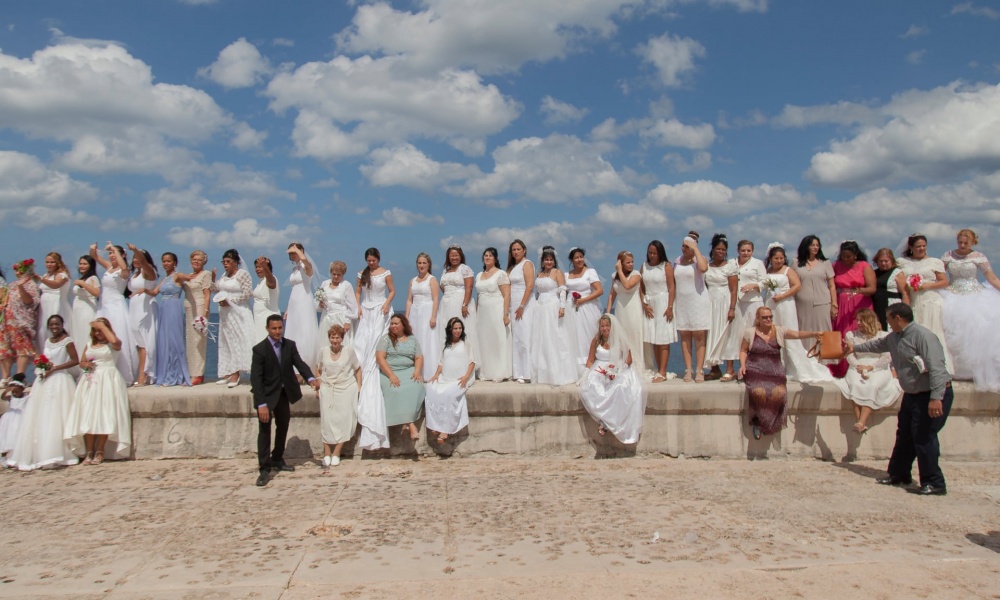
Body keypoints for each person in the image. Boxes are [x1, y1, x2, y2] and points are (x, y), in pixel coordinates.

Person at [846, 303, 953, 496]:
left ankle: (934, 482)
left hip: (931, 393)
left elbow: (937, 369)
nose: (886, 322)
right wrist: (853, 348)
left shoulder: (923, 336)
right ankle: (899, 474)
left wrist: (936, 398)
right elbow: (875, 345)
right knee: (904, 434)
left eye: (888, 319)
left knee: (924, 437)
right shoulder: (894, 337)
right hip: (912, 394)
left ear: (898, 318)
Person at [250, 314, 319, 486]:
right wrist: (261, 404)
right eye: (274, 328)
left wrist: (310, 378)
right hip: (266, 396)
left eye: (280, 328)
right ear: (267, 328)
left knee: (283, 426)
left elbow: (299, 363)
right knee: (264, 432)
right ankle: (264, 469)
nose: (277, 331)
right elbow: (256, 380)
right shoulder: (259, 350)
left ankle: (277, 458)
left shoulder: (289, 345)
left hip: (283, 393)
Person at [5, 315, 80, 470]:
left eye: (57, 324)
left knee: (58, 415)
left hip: (60, 379)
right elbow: (44, 358)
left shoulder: (68, 341)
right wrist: (42, 367)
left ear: (61, 325)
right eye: (51, 325)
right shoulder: (47, 341)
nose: (54, 327)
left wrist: (55, 368)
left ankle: (60, 451)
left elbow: (75, 360)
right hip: (44, 380)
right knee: (42, 415)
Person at [738, 307, 822, 440]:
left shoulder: (779, 331)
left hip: (774, 368)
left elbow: (797, 335)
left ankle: (767, 422)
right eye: (765, 317)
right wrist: (742, 365)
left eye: (770, 316)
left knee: (780, 393)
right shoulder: (750, 332)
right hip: (755, 368)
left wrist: (813, 334)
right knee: (758, 391)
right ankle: (757, 421)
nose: (768, 319)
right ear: (758, 319)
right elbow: (743, 350)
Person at [940, 228, 1000, 392]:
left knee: (975, 333)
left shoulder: (978, 257)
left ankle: (973, 370)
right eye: (960, 242)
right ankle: (955, 369)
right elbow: (939, 276)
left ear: (973, 242)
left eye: (966, 243)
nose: (962, 245)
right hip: (952, 295)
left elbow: (992, 278)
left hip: (975, 295)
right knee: (952, 332)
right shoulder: (948, 255)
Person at [64, 318, 132, 464]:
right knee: (88, 415)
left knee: (105, 415)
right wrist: (85, 364)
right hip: (91, 381)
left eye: (100, 330)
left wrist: (102, 325)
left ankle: (100, 451)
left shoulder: (113, 345)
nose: (98, 333)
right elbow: (81, 361)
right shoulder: (89, 344)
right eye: (96, 330)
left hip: (108, 380)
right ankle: (89, 452)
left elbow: (115, 341)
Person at [579, 314, 647, 444]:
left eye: (607, 326)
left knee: (619, 388)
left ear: (611, 327)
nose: (604, 328)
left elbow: (629, 358)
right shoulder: (596, 340)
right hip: (599, 367)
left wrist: (621, 368)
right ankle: (603, 420)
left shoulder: (619, 340)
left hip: (617, 366)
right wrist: (586, 373)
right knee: (591, 387)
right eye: (602, 326)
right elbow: (590, 359)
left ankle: (609, 423)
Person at [354, 247, 394, 450]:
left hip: (380, 310)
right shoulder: (362, 274)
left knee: (376, 348)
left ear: (378, 259)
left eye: (373, 260)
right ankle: (362, 378)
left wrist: (387, 304)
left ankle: (375, 374)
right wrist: (358, 306)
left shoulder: (385, 273)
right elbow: (358, 292)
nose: (371, 263)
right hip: (367, 312)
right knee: (362, 347)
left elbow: (392, 290)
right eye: (368, 260)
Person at [896, 233, 953, 374]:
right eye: (918, 246)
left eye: (924, 246)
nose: (921, 249)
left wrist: (925, 285)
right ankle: (916, 365)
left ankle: (937, 365)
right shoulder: (902, 262)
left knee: (932, 331)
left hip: (930, 300)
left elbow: (944, 282)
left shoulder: (934, 262)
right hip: (913, 300)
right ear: (911, 247)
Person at [842, 309, 902, 434]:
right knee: (853, 384)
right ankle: (860, 422)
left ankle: (860, 421)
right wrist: (859, 366)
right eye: (857, 320)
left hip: (877, 366)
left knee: (872, 385)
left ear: (869, 321)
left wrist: (870, 367)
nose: (858, 323)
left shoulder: (883, 335)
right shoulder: (851, 335)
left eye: (861, 320)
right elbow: (849, 355)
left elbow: (886, 357)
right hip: (857, 365)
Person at [530, 246, 578, 385]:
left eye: (551, 260)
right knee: (541, 339)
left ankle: (558, 373)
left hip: (553, 306)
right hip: (540, 307)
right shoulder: (539, 274)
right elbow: (537, 292)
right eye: (546, 260)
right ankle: (543, 373)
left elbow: (563, 290)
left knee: (555, 337)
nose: (549, 262)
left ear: (554, 261)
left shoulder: (557, 272)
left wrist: (562, 307)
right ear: (543, 261)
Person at [91, 244, 137, 385]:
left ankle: (123, 373)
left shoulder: (124, 271)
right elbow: (94, 256)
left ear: (122, 255)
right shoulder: (109, 267)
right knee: (100, 334)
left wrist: (116, 249)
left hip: (116, 305)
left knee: (118, 334)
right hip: (104, 305)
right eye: (110, 253)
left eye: (114, 253)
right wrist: (93, 248)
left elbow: (124, 268)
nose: (111, 255)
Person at [425, 317, 476, 444]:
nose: (458, 331)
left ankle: (445, 431)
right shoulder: (445, 343)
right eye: (455, 328)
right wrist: (436, 374)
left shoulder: (466, 343)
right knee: (431, 390)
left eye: (460, 328)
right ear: (450, 330)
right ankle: (436, 425)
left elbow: (472, 362)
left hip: (460, 378)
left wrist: (466, 376)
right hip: (445, 377)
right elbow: (441, 362)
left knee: (449, 395)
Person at [316, 324, 361, 468]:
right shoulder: (323, 351)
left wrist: (359, 386)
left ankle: (337, 452)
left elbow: (358, 368)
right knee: (326, 421)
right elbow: (318, 369)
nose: (335, 340)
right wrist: (318, 385)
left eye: (337, 337)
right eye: (332, 337)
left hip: (346, 388)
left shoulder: (349, 351)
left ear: (342, 338)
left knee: (344, 420)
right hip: (328, 388)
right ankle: (327, 452)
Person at [376, 314, 425, 442]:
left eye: (396, 323)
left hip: (408, 370)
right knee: (395, 390)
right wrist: (391, 375)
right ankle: (410, 424)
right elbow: (380, 358)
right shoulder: (385, 339)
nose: (393, 326)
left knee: (416, 387)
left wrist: (417, 371)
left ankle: (407, 422)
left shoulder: (412, 339)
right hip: (390, 372)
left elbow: (419, 357)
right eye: (392, 323)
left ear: (403, 325)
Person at [210, 249, 254, 388]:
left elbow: (247, 294)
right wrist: (213, 279)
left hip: (239, 312)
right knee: (227, 341)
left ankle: (236, 373)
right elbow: (214, 289)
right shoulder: (224, 276)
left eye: (228, 262)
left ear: (236, 262)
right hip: (225, 314)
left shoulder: (243, 275)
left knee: (238, 341)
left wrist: (229, 300)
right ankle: (228, 371)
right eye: (224, 262)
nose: (225, 264)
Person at [673, 233, 710, 383]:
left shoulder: (699, 260)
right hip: (682, 301)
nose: (684, 249)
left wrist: (695, 249)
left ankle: (699, 369)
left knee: (699, 334)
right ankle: (688, 369)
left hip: (698, 300)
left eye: (687, 246)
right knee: (685, 334)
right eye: (683, 246)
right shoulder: (677, 261)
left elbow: (703, 268)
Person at [151, 252, 190, 387]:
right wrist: (143, 290)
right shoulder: (164, 279)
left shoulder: (177, 275)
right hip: (164, 308)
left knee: (175, 341)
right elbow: (154, 292)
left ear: (174, 262)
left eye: (168, 261)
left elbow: (189, 277)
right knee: (164, 342)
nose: (166, 263)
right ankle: (167, 374)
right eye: (164, 261)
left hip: (174, 307)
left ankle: (178, 375)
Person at [640, 241, 676, 382]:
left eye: (655, 253)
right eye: (650, 252)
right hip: (650, 303)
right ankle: (658, 369)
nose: (652, 255)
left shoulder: (666, 266)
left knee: (663, 339)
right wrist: (644, 304)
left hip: (663, 302)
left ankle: (663, 371)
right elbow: (641, 288)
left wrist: (670, 307)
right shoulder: (644, 267)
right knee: (654, 339)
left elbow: (672, 288)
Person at [705, 234, 739, 381]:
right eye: (718, 249)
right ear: (712, 250)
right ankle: (715, 368)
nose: (720, 252)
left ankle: (730, 369)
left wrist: (732, 308)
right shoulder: (707, 266)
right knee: (711, 334)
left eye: (723, 249)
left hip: (725, 302)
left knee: (727, 334)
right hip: (710, 302)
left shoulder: (730, 267)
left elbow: (734, 289)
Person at [564, 248, 603, 372]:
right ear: (572, 260)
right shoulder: (567, 275)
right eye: (576, 257)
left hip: (587, 308)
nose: (579, 259)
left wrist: (584, 300)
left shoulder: (590, 272)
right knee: (573, 337)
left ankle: (590, 364)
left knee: (587, 335)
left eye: (581, 257)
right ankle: (575, 368)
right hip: (571, 308)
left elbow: (599, 290)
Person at [607, 250, 645, 375]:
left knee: (633, 336)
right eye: (628, 262)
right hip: (620, 309)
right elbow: (612, 295)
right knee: (621, 338)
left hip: (633, 309)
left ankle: (636, 365)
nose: (631, 264)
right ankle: (623, 363)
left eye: (632, 262)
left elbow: (627, 285)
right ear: (621, 263)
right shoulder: (615, 276)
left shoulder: (636, 274)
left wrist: (619, 271)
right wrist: (607, 314)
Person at [1, 259, 40, 380]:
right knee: (5, 349)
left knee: (22, 348)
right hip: (8, 320)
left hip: (21, 321)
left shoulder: (32, 284)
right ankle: (5, 377)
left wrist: (21, 287)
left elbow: (29, 301)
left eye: (19, 269)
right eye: (16, 270)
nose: (17, 272)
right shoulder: (12, 284)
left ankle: (19, 376)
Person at [474, 248, 510, 382]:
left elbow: (507, 295)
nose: (487, 257)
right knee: (484, 340)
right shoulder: (479, 275)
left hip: (496, 309)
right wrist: (477, 313)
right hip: (483, 312)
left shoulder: (501, 274)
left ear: (495, 258)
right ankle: (485, 371)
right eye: (485, 255)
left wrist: (505, 314)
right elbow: (478, 296)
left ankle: (499, 371)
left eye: (490, 256)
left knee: (497, 339)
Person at [176, 250, 211, 385]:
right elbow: (176, 280)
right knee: (190, 341)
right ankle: (191, 372)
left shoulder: (205, 274)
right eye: (194, 259)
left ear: (204, 261)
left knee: (198, 341)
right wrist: (183, 276)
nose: (196, 262)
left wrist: (205, 312)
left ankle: (198, 374)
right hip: (188, 308)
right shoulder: (188, 276)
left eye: (199, 259)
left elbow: (207, 294)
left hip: (200, 307)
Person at [125, 244, 159, 386]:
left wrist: (135, 250)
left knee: (145, 342)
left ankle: (143, 376)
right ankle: (140, 373)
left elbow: (144, 263)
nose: (136, 260)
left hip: (146, 309)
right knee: (138, 343)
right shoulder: (135, 274)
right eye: (134, 258)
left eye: (139, 257)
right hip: (134, 308)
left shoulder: (149, 272)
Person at [284, 242, 318, 379]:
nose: (292, 255)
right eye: (290, 253)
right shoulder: (295, 269)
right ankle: (293, 367)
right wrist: (287, 308)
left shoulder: (306, 266)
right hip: (294, 302)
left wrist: (299, 252)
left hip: (304, 301)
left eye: (294, 252)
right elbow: (294, 289)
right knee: (293, 333)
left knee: (304, 332)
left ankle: (304, 368)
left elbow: (306, 265)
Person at [792, 235, 837, 340]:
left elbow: (832, 285)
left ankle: (825, 354)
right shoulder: (795, 262)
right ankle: (805, 354)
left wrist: (834, 304)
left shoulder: (825, 263)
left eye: (817, 245)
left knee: (823, 328)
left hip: (822, 302)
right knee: (804, 329)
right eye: (813, 245)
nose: (816, 247)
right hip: (802, 303)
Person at [437, 245, 478, 354]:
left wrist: (465, 304)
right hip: (446, 303)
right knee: (447, 329)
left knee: (461, 329)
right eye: (452, 256)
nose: (454, 258)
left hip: (460, 302)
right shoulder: (445, 270)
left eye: (456, 255)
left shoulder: (465, 269)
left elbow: (469, 287)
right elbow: (442, 286)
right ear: (448, 257)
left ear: (460, 256)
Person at [405, 253, 439, 380]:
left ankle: (429, 372)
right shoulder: (412, 281)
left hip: (427, 311)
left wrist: (433, 316)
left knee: (428, 340)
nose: (422, 265)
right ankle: (416, 371)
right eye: (419, 263)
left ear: (429, 264)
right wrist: (406, 318)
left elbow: (436, 299)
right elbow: (409, 300)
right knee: (416, 339)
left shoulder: (432, 279)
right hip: (415, 312)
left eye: (424, 263)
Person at [506, 239, 535, 383]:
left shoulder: (527, 264)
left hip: (524, 304)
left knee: (525, 337)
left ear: (524, 250)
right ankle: (518, 372)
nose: (516, 252)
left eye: (518, 249)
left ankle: (527, 372)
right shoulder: (512, 267)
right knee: (516, 338)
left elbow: (530, 286)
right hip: (513, 304)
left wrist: (522, 306)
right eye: (513, 250)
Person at [832, 241, 875, 334]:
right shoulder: (836, 265)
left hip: (859, 302)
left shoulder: (864, 266)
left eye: (848, 256)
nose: (845, 259)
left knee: (859, 327)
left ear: (855, 255)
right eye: (843, 256)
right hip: (841, 303)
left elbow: (872, 288)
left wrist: (859, 290)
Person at [316, 261, 357, 351]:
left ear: (343, 274)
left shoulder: (346, 285)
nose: (336, 277)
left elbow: (352, 305)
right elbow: (317, 300)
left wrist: (347, 321)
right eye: (334, 274)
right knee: (325, 344)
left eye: (339, 275)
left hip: (341, 318)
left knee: (341, 343)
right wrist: (320, 304)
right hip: (326, 318)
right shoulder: (325, 284)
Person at [36, 252, 73, 350]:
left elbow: (56, 284)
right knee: (42, 331)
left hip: (56, 305)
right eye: (47, 262)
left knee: (54, 329)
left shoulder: (62, 275)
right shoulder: (46, 275)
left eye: (52, 262)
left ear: (57, 262)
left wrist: (41, 279)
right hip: (44, 307)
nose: (49, 264)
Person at [71, 255, 101, 356]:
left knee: (85, 333)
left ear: (90, 265)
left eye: (85, 264)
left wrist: (83, 284)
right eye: (80, 264)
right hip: (77, 311)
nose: (82, 266)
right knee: (77, 334)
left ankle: (87, 358)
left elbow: (97, 293)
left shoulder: (93, 278)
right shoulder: (82, 278)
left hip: (87, 310)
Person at [872, 248, 905, 331]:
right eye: (881, 261)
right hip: (877, 306)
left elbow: (905, 293)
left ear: (892, 261)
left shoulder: (897, 272)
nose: (883, 263)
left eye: (886, 261)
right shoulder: (873, 273)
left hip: (892, 306)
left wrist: (904, 311)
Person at [0, 374, 29, 461]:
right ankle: (4, 456)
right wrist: (6, 390)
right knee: (6, 436)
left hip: (20, 418)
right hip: (9, 419)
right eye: (13, 392)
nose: (15, 393)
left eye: (17, 391)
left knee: (16, 435)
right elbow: (2, 397)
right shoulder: (10, 397)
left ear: (22, 389)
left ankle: (18, 454)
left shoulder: (27, 397)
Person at [252, 256, 280, 344]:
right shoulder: (260, 282)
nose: (257, 269)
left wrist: (265, 266)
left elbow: (271, 282)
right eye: (256, 267)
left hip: (267, 318)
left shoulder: (272, 279)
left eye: (260, 267)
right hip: (258, 319)